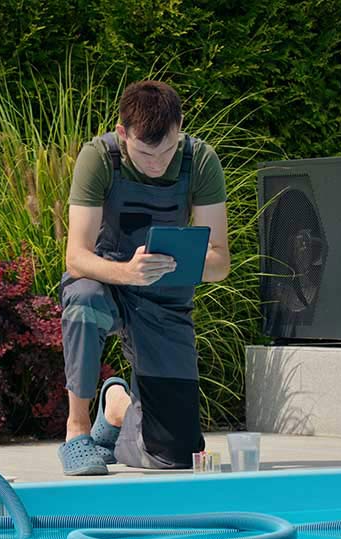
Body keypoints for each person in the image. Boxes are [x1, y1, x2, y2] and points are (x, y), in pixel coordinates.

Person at [58, 80, 230, 475]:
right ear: (123, 134)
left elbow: (220, 263)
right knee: (82, 299)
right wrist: (127, 272)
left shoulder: (200, 160)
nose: (158, 163)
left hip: (165, 297)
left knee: (176, 456)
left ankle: (116, 407)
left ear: (180, 126)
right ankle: (78, 430)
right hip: (106, 283)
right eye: (145, 152)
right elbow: (76, 257)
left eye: (168, 150)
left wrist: (179, 263)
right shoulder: (99, 157)